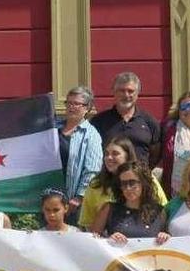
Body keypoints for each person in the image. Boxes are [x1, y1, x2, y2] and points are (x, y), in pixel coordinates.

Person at [78, 137, 167, 231]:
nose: (109, 158)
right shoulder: (96, 185)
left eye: (115, 154)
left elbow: (162, 210)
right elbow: (86, 224)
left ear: (127, 156)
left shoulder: (148, 179)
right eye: (106, 154)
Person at [90, 72, 162, 167]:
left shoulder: (149, 122)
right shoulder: (98, 121)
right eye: (121, 91)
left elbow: (156, 154)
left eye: (130, 91)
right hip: (108, 180)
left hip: (139, 179)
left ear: (138, 93)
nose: (126, 95)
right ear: (114, 92)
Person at [58, 86, 102, 226]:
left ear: (87, 108)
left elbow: (93, 170)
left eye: (76, 104)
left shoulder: (91, 134)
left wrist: (79, 197)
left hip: (73, 203)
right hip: (50, 199)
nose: (71, 107)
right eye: (68, 103)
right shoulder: (54, 129)